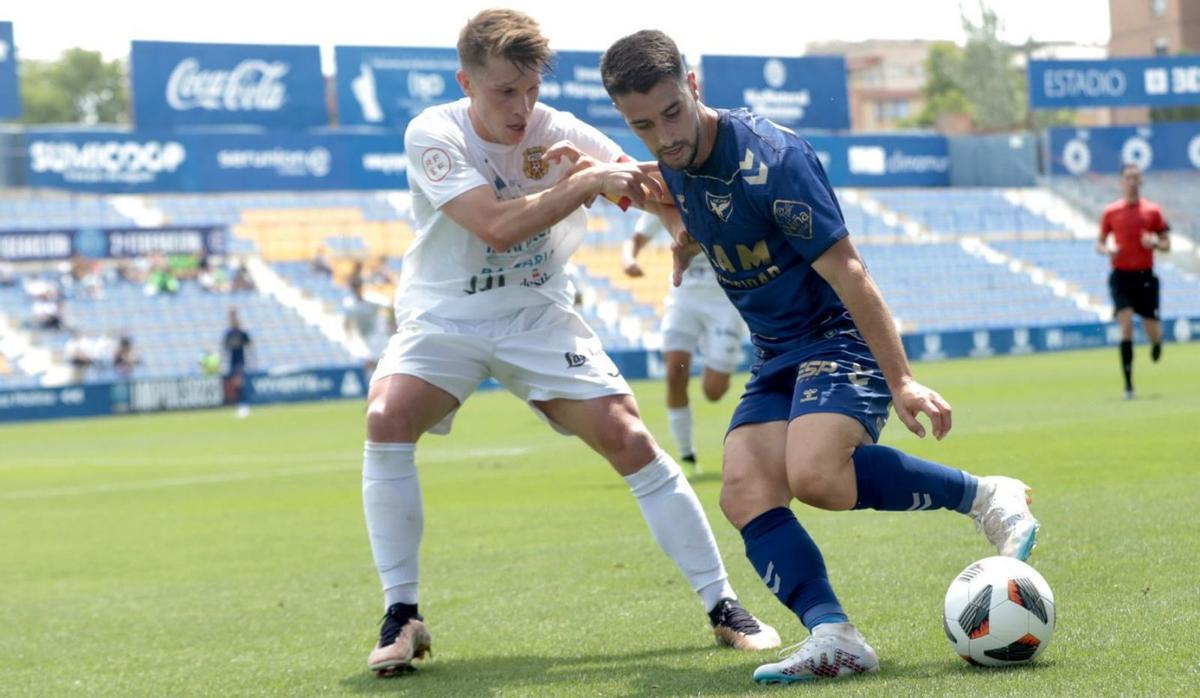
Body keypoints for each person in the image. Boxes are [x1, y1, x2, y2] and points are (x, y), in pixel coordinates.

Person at [600, 30, 1041, 684]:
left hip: (838, 334)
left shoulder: (771, 161)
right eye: (642, 125)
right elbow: (667, 198)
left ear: (692, 87)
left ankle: (984, 496)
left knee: (815, 474)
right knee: (745, 489)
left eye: (671, 113)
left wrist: (903, 382)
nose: (663, 136)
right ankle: (834, 634)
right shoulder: (666, 163)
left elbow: (852, 273)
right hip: (776, 351)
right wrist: (673, 233)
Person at [361, 9, 778, 678]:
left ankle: (723, 604)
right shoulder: (432, 133)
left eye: (531, 89)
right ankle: (401, 612)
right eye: (504, 92)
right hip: (445, 316)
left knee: (630, 439)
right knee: (386, 418)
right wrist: (583, 180)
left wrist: (677, 225)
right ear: (464, 81)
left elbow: (647, 187)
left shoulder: (559, 129)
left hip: (537, 315)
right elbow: (494, 226)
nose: (523, 108)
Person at [623, 210, 746, 471]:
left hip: (724, 303)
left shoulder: (721, 198)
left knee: (713, 391)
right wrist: (628, 260)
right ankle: (687, 456)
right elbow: (635, 239)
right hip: (684, 299)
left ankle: (715, 359)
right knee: (675, 372)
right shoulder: (666, 201)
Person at [1097, 163, 1170, 400]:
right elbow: (1099, 243)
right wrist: (1108, 248)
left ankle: (1157, 342)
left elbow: (1167, 244)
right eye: (1128, 177)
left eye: (1136, 178)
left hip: (1145, 276)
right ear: (1121, 181)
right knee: (1125, 323)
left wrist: (1155, 243)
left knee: (1152, 331)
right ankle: (1129, 386)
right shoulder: (1110, 212)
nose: (1132, 181)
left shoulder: (1153, 211)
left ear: (1141, 181)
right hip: (1121, 276)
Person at [222, 309, 253, 418]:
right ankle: (241, 405)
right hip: (232, 362)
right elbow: (224, 347)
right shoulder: (228, 333)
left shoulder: (242, 332)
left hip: (240, 361)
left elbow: (250, 345)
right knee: (235, 385)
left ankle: (244, 406)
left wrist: (250, 360)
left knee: (239, 383)